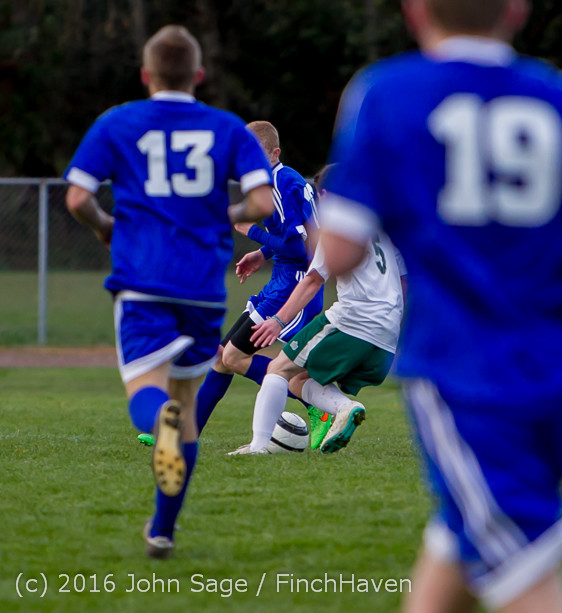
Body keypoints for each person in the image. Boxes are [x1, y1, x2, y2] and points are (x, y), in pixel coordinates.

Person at [317, 0, 562, 611]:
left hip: (464, 375)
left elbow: (339, 252)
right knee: (463, 534)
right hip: (559, 373)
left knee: (521, 563)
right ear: (518, 11)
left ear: (415, 12)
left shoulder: (388, 92)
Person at [63, 25, 274, 559]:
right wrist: (220, 216)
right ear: (199, 76)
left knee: (150, 398)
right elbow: (262, 204)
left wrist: (107, 228)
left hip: (142, 281)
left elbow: (77, 198)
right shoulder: (226, 127)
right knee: (186, 405)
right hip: (202, 289)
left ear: (145, 75)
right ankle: (162, 530)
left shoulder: (118, 121)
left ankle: (160, 424)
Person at [228, 167, 406, 455]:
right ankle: (343, 408)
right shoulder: (382, 227)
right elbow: (402, 278)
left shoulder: (337, 229)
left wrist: (278, 320)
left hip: (354, 320)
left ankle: (259, 445)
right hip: (387, 333)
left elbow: (312, 280)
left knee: (278, 369)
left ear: (324, 195)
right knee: (300, 379)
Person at [190, 120, 325, 440]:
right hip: (283, 280)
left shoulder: (279, 183)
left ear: (274, 153)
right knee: (223, 357)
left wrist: (249, 231)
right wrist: (261, 254)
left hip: (292, 285)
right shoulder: (282, 180)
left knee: (233, 357)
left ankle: (317, 404)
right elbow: (296, 235)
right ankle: (187, 431)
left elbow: (299, 247)